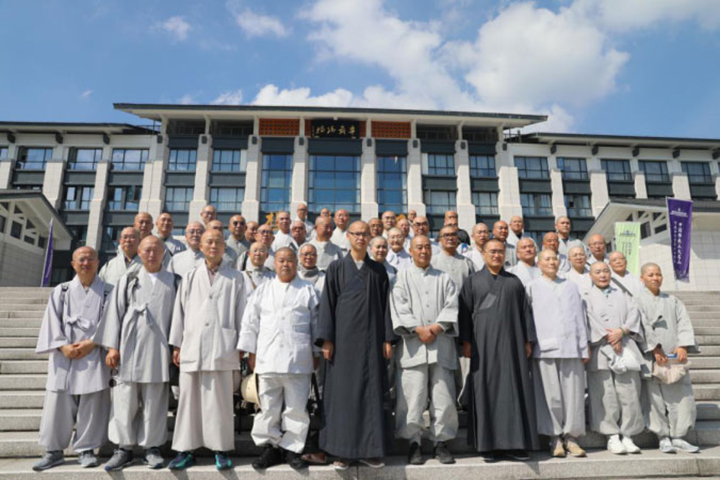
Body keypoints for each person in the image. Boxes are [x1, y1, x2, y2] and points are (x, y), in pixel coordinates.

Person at [315, 221, 394, 470]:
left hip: (371, 342)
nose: (361, 238)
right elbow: (327, 304)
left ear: (371, 236)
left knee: (370, 395)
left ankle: (370, 450)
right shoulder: (336, 268)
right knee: (343, 396)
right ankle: (342, 452)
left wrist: (387, 339)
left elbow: (385, 309)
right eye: (356, 234)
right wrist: (327, 339)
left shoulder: (378, 271)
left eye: (365, 234)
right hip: (343, 343)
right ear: (348, 237)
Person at [93, 237, 175, 470]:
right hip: (129, 349)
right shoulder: (128, 279)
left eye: (156, 250)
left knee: (155, 402)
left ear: (164, 253)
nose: (151, 254)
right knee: (123, 401)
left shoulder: (174, 281)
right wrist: (112, 347)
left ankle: (152, 448)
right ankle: (123, 448)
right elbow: (114, 313)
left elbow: (179, 318)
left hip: (158, 351)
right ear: (139, 251)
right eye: (147, 250)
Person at [167, 229, 245, 471]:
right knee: (189, 402)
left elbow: (243, 313)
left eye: (218, 242)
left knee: (220, 403)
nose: (214, 246)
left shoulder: (237, 278)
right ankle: (185, 450)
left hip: (224, 346)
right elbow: (179, 312)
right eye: (209, 242)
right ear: (200, 246)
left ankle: (220, 450)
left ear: (225, 247)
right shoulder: (190, 277)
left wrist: (242, 344)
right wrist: (177, 344)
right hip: (193, 345)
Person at [239, 248, 321, 470]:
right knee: (268, 408)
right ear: (273, 263)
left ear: (297, 263)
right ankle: (271, 447)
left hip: (299, 358)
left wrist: (316, 353)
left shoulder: (309, 290)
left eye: (290, 261)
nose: (285, 264)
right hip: (268, 357)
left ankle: (292, 449)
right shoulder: (263, 290)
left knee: (296, 408)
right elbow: (250, 323)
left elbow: (316, 325)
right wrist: (251, 353)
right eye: (281, 260)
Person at [459, 239, 538, 461]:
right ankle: (488, 446)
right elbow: (464, 314)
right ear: (483, 254)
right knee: (485, 390)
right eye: (492, 251)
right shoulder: (472, 281)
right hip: (482, 345)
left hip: (512, 345)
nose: (496, 255)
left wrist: (527, 340)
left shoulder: (514, 282)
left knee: (514, 390)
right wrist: (466, 341)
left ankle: (515, 444)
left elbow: (525, 314)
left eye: (500, 252)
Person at [33, 247, 112, 471]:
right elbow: (51, 321)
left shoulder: (108, 291)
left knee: (92, 401)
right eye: (81, 260)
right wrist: (62, 345)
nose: (86, 263)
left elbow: (111, 322)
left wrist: (92, 342)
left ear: (98, 263)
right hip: (64, 353)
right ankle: (53, 450)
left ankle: (87, 449)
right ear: (73, 264)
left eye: (90, 259)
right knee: (57, 403)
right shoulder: (62, 290)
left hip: (94, 352)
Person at [391, 235, 459, 465]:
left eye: (427, 247)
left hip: (441, 346)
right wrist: (418, 329)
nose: (423, 251)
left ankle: (441, 442)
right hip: (412, 346)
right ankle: (414, 443)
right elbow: (398, 306)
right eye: (419, 247)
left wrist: (436, 327)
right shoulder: (401, 277)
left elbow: (452, 305)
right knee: (412, 397)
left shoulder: (445, 278)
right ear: (410, 250)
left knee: (444, 397)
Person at [526, 250, 588, 458]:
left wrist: (583, 346)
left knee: (573, 395)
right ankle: (554, 438)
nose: (552, 262)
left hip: (571, 347)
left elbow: (580, 318)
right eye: (547, 259)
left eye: (554, 259)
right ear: (538, 263)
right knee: (550, 396)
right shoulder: (532, 287)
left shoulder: (571, 286)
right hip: (544, 348)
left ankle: (571, 437)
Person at [583, 262, 645, 455]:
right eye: (598, 272)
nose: (602, 275)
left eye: (605, 271)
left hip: (625, 347)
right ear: (591, 276)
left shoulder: (624, 294)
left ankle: (628, 434)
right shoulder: (585, 298)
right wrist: (610, 337)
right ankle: (611, 435)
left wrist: (622, 331)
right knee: (604, 394)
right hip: (600, 349)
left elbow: (634, 314)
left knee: (629, 392)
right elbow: (588, 320)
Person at [636, 263, 699, 454]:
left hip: (674, 358)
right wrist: (654, 347)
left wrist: (683, 345)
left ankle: (679, 436)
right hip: (652, 357)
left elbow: (684, 323)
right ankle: (662, 436)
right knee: (654, 398)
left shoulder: (673, 300)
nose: (655, 278)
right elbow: (641, 325)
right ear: (642, 279)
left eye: (658, 274)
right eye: (650, 274)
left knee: (681, 397)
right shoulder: (637, 300)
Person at [431, 225, 476, 295]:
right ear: (440, 239)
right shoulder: (432, 262)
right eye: (446, 235)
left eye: (453, 235)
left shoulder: (467, 262)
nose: (450, 238)